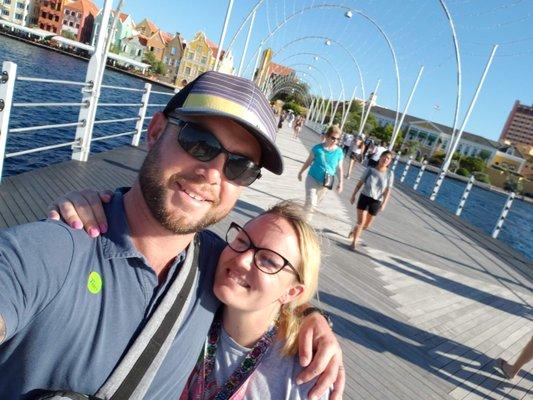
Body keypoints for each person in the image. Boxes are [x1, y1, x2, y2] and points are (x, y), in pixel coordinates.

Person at [0, 71, 343, 399]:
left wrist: (313, 318)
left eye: (239, 165)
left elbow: (270, 282)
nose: (212, 174)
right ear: (155, 131)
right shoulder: (54, 250)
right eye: (199, 141)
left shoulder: (216, 263)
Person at [180, 200, 328, 399]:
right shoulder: (188, 297)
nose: (242, 259)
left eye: (268, 260)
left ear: (292, 293)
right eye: (241, 241)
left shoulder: (303, 380)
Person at [348, 150, 394, 250]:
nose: (385, 159)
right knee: (361, 222)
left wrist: (384, 203)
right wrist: (353, 195)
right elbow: (360, 183)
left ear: (390, 161)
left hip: (377, 200)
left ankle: (354, 231)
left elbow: (388, 190)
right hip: (364, 196)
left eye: (388, 158)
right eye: (384, 157)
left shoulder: (390, 174)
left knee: (366, 225)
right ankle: (354, 243)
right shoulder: (370, 170)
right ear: (380, 157)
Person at [298, 125, 344, 222]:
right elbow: (308, 161)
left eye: (337, 139)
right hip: (313, 177)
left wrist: (341, 183)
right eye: (333, 138)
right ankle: (304, 223)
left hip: (326, 181)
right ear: (327, 136)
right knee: (311, 202)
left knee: (313, 204)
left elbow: (339, 168)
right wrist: (301, 172)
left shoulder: (339, 152)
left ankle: (302, 218)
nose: (335, 141)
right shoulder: (317, 148)